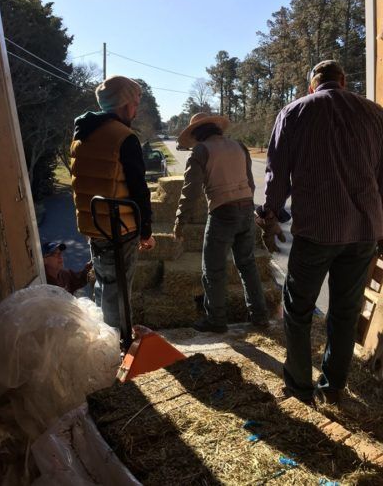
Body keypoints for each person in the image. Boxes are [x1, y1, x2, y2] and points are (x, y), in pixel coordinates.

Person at [256, 60, 383, 404]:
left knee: (298, 310)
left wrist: (269, 216)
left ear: (313, 85)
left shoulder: (295, 111)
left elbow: (277, 170)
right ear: (343, 81)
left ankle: (299, 386)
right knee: (345, 311)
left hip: (318, 231)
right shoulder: (375, 114)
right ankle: (334, 387)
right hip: (363, 231)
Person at [70, 75, 155, 332]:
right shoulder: (124, 137)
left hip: (94, 225)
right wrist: (146, 231)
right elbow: (139, 189)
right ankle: (116, 344)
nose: (136, 109)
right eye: (135, 103)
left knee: (103, 284)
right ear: (125, 104)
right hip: (120, 227)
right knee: (118, 292)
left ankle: (102, 337)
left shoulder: (83, 133)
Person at [173, 112, 269, 334]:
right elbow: (250, 182)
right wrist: (245, 206)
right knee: (247, 265)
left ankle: (216, 319)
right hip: (246, 207)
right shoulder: (238, 146)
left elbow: (191, 190)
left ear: (197, 134)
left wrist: (180, 220)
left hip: (222, 211)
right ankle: (260, 315)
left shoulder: (201, 150)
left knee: (214, 268)